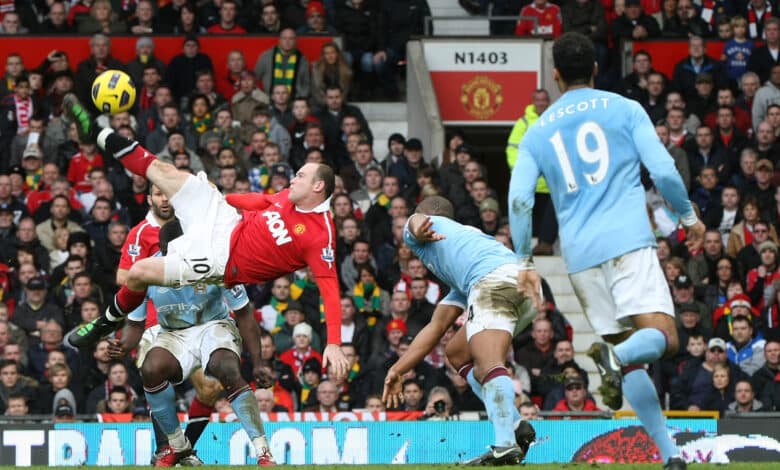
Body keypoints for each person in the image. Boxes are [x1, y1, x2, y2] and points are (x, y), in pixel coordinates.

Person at [508, 32, 705, 470]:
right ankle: (616, 359)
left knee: (631, 358)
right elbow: (664, 169)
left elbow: (520, 200)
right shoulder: (625, 108)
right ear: (595, 69)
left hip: (579, 258)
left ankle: (669, 455)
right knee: (665, 339)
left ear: (556, 76)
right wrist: (689, 218)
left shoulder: (538, 131)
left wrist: (524, 261)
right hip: (628, 242)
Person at [61, 93, 349, 381]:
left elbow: (330, 288)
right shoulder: (291, 197)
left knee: (138, 272)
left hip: (221, 261)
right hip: (223, 218)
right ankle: (94, 132)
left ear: (318, 186)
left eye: (300, 176)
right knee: (164, 171)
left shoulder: (320, 235)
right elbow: (263, 202)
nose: (292, 178)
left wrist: (333, 342)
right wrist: (222, 198)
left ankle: (104, 322)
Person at [382, 196, 537, 466]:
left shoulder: (425, 229)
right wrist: (397, 370)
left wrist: (418, 226)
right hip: (524, 288)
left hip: (494, 281)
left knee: (488, 363)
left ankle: (504, 445)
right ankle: (513, 424)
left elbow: (416, 222)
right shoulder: (465, 259)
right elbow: (437, 327)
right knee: (457, 352)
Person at [108, 219, 273, 466]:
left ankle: (263, 452)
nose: (172, 259)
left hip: (213, 326)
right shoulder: (145, 272)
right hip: (173, 333)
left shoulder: (216, 263)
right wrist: (124, 344)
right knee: (151, 369)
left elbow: (244, 312)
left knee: (225, 368)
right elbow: (134, 323)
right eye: (167, 253)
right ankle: (178, 446)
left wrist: (258, 363)